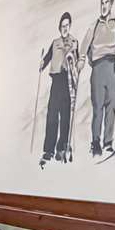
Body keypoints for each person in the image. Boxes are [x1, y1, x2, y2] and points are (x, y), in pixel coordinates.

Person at [80, 0, 115, 156]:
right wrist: (82, 60)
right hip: (98, 68)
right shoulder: (94, 25)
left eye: (107, 2)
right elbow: (84, 46)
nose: (104, 6)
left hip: (112, 66)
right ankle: (95, 142)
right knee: (98, 107)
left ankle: (108, 142)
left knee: (112, 105)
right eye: (102, 3)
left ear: (111, 4)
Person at [39, 11, 79, 166]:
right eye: (63, 26)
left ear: (70, 26)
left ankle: (62, 147)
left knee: (65, 115)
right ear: (59, 27)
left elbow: (77, 61)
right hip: (56, 81)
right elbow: (48, 56)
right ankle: (49, 149)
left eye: (67, 25)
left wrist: (74, 57)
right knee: (52, 115)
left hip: (67, 80)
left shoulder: (74, 42)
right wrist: (42, 63)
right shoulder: (55, 42)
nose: (65, 28)